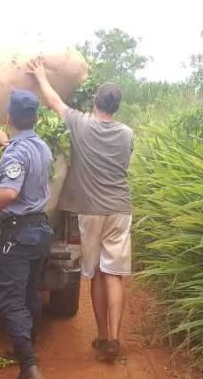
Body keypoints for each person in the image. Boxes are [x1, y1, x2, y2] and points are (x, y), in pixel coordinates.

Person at [29, 59, 133, 363]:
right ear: (116, 107)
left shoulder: (81, 124)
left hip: (90, 210)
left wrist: (40, 76)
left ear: (93, 101)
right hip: (120, 210)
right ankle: (114, 337)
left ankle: (102, 336)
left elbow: (54, 102)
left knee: (96, 274)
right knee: (115, 275)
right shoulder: (127, 133)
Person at [0, 90, 53, 379]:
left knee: (8, 299)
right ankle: (26, 348)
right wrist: (7, 145)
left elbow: (8, 193)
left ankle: (28, 367)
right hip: (40, 231)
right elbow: (24, 164)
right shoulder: (40, 147)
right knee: (31, 292)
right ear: (36, 118)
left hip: (18, 233)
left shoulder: (16, 154)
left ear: (8, 118)